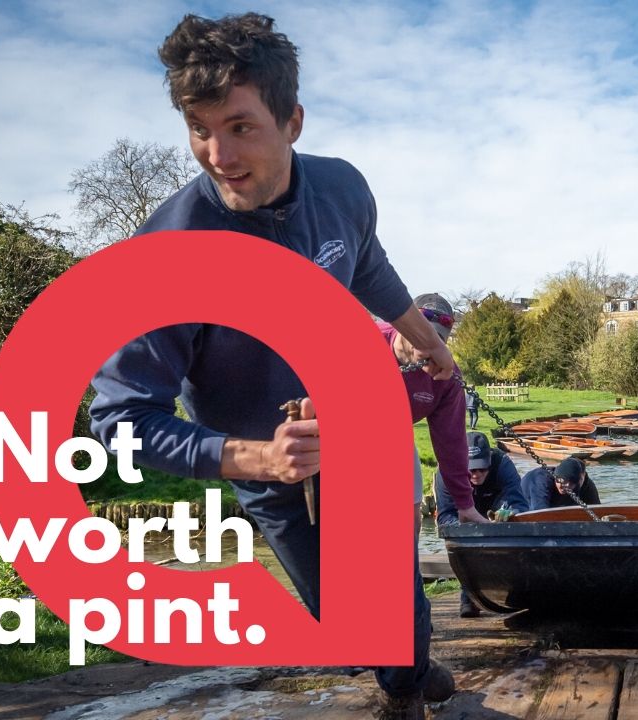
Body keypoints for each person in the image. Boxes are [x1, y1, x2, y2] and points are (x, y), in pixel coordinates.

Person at [87, 13, 475, 718]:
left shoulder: (343, 189)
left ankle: (407, 688)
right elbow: (118, 418)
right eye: (199, 129)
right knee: (344, 618)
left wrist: (428, 341)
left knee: (392, 591)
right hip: (261, 464)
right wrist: (259, 459)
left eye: (240, 127)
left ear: (292, 121)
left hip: (357, 428)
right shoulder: (167, 255)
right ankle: (407, 669)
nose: (218, 154)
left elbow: (369, 267)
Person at [381, 292, 489, 537]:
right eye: (420, 336)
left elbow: (451, 441)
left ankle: (407, 559)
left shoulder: (446, 376)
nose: (427, 347)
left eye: (437, 340)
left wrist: (465, 505)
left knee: (409, 517)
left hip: (395, 434)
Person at [435, 432, 528, 617]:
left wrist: (509, 513)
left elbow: (520, 504)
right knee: (465, 548)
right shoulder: (446, 471)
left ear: (489, 461)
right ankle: (468, 597)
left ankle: (512, 588)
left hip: (495, 505)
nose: (476, 474)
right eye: (471, 470)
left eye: (482, 469)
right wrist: (463, 527)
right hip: (461, 508)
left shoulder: (503, 464)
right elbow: (444, 515)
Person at [521, 457, 600, 511]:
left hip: (558, 503)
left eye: (572, 483)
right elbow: (539, 512)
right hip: (526, 502)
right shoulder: (541, 481)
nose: (567, 486)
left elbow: (597, 511)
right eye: (564, 481)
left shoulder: (585, 483)